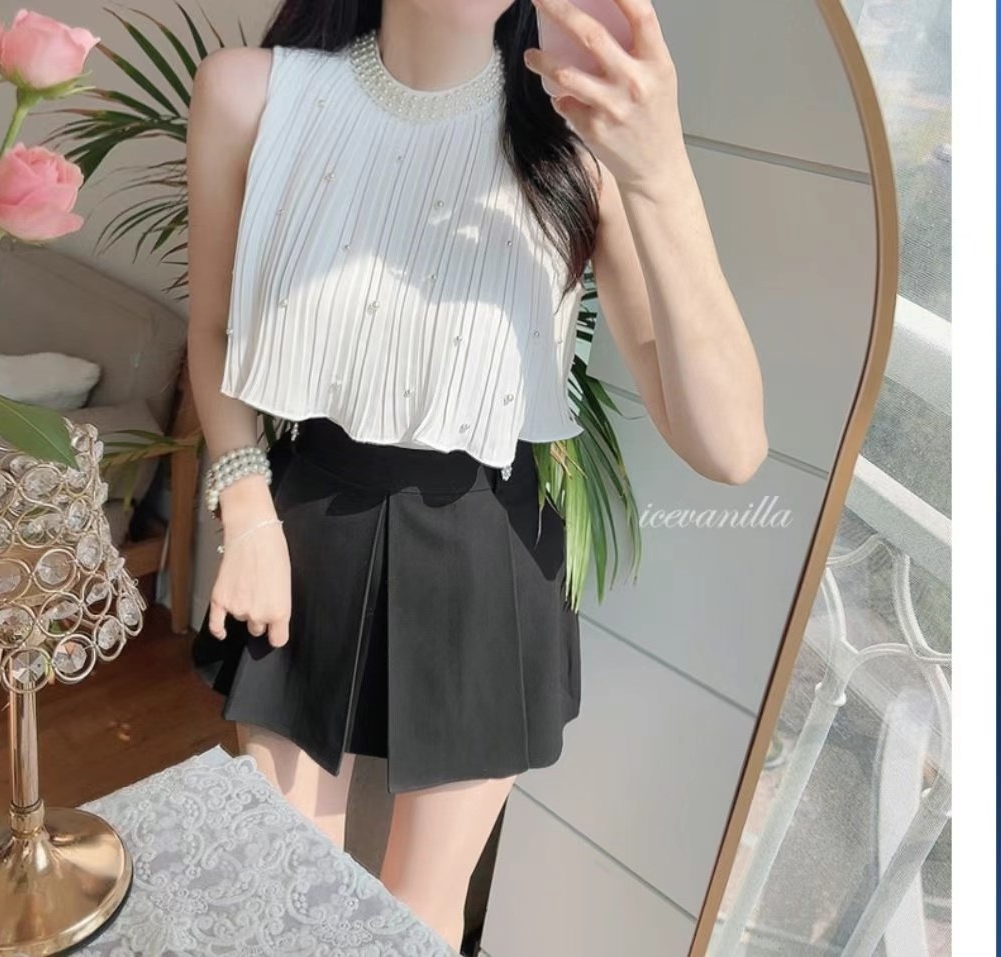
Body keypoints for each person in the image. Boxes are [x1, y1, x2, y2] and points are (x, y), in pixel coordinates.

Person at [186, 0, 767, 949]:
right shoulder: (250, 96)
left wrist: (659, 170)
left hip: (487, 543)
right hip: (302, 523)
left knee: (416, 917)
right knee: (280, 896)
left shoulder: (576, 145)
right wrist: (246, 506)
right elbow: (213, 326)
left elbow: (731, 447)